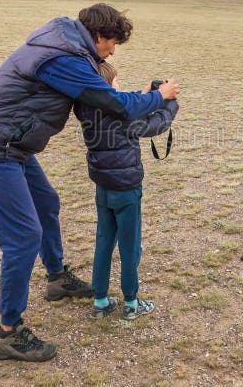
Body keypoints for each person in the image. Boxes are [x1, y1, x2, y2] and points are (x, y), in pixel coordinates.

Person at [0, 4, 180, 362]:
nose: (112, 50)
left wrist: (136, 95)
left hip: (14, 144)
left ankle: (57, 277)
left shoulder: (65, 44)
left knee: (47, 204)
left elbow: (106, 99)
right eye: (112, 43)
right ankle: (9, 332)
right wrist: (160, 97)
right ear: (98, 36)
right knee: (23, 237)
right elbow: (113, 104)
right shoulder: (65, 58)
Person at [74, 62, 179, 320]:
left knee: (104, 242)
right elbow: (158, 124)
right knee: (130, 246)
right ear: (108, 89)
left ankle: (100, 300)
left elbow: (123, 102)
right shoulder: (125, 117)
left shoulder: (88, 111)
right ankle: (131, 303)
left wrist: (146, 94)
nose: (119, 87)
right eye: (116, 84)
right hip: (127, 191)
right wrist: (170, 103)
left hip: (103, 187)